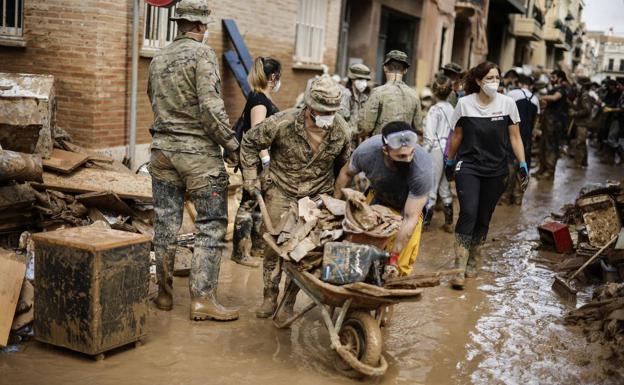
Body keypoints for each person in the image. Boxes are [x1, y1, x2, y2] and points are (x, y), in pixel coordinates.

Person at [147, 0, 240, 321]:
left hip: (160, 152)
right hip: (198, 156)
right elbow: (211, 110)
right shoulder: (203, 55)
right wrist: (232, 146)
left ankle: (163, 295)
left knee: (165, 224)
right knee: (211, 226)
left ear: (179, 23)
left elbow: (153, 100)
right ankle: (202, 300)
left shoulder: (158, 59)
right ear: (201, 26)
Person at [240, 75, 351, 319]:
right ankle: (269, 295)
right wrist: (249, 178)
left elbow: (345, 166)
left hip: (315, 196)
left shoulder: (341, 130)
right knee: (273, 247)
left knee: (304, 253)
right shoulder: (283, 122)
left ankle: (289, 301)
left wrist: (335, 200)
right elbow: (249, 143)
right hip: (281, 190)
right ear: (310, 108)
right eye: (324, 111)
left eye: (333, 111)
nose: (329, 116)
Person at [444, 61, 528, 290]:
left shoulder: (508, 104)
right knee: (468, 212)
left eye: (497, 78)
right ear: (479, 81)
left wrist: (522, 164)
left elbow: (515, 138)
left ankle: (474, 259)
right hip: (468, 165)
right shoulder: (464, 104)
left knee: (484, 216)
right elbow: (457, 136)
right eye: (489, 78)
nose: (494, 82)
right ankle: (459, 267)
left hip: (497, 169)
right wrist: (449, 160)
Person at [334, 121, 433, 277]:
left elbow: (409, 218)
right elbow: (345, 174)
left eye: (411, 153)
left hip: (407, 206)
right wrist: (334, 207)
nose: (408, 159)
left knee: (398, 266)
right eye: (401, 156)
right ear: (385, 151)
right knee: (359, 252)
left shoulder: (422, 169)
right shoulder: (367, 152)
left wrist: (393, 259)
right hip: (378, 197)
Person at [231, 57, 281, 268]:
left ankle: (257, 247)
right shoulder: (259, 100)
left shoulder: (262, 97)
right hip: (254, 161)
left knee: (259, 204)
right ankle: (239, 252)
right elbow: (256, 132)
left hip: (258, 160)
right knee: (249, 202)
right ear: (273, 77)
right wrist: (266, 159)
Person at [358, 50, 422, 138]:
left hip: (382, 145)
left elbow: (366, 127)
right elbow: (418, 128)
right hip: (404, 146)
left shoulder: (377, 93)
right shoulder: (414, 95)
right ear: (405, 70)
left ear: (385, 68)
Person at [422, 75, 454, 231]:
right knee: (444, 187)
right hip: (449, 150)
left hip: (435, 150)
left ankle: (425, 223)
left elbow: (429, 137)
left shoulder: (434, 110)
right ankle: (449, 222)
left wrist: (421, 155)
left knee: (431, 188)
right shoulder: (452, 108)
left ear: (434, 91)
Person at [503, 74, 540, 204]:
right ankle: (518, 198)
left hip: (512, 135)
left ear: (519, 83)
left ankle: (505, 198)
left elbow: (503, 111)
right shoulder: (535, 99)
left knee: (509, 166)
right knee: (523, 167)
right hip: (527, 139)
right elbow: (536, 120)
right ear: (530, 85)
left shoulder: (512, 93)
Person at [534, 69, 568, 180]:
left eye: (553, 77)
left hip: (554, 123)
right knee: (543, 145)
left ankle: (549, 172)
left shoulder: (561, 90)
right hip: (547, 122)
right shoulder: (553, 88)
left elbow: (554, 98)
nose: (551, 79)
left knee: (551, 147)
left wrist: (541, 97)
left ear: (560, 78)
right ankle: (542, 168)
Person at [341, 63, 372, 138]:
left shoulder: (364, 97)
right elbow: (342, 120)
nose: (364, 83)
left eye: (365, 80)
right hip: (347, 138)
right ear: (352, 79)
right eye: (360, 79)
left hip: (360, 140)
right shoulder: (345, 95)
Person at [568, 76, 592, 168]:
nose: (577, 86)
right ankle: (583, 162)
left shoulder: (585, 95)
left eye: (578, 84)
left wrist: (575, 113)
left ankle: (578, 164)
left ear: (582, 85)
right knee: (582, 143)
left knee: (580, 143)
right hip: (581, 122)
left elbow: (587, 110)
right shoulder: (581, 94)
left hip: (583, 123)